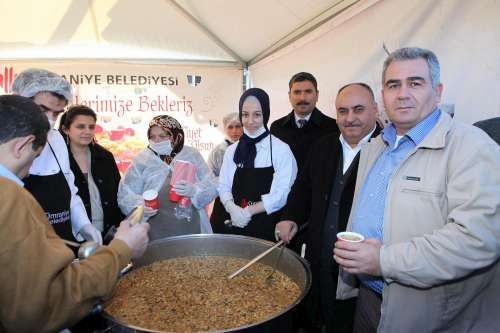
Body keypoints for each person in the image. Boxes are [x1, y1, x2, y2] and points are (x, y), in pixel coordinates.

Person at [334, 47, 500, 332]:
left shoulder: (471, 146)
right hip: (369, 299)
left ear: (437, 91)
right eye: (393, 85)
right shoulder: (376, 148)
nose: (402, 94)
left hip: (431, 315)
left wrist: (383, 260)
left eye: (415, 83)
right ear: (383, 95)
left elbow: (477, 239)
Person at [0, 95, 150, 332]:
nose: (29, 171)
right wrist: (122, 248)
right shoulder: (9, 197)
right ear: (21, 146)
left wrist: (87, 227)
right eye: (34, 157)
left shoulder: (99, 155)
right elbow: (40, 307)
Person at [276, 83, 382, 333]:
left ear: (376, 110)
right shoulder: (323, 145)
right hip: (319, 254)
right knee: (317, 316)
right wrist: (290, 217)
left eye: (358, 110)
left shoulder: (387, 151)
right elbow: (302, 188)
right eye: (342, 111)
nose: (350, 118)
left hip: (360, 270)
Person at [11, 68, 102, 245]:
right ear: (21, 102)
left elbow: (69, 187)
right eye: (42, 109)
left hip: (63, 242)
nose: (50, 120)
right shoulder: (6, 143)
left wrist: (84, 225)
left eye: (57, 113)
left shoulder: (56, 139)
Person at [211, 88, 297, 242]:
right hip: (229, 222)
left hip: (263, 225)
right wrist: (232, 208)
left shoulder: (280, 150)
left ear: (266, 114)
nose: (250, 121)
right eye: (245, 114)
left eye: (257, 114)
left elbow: (282, 193)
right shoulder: (232, 151)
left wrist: (248, 211)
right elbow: (223, 185)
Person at [118, 115, 217, 240]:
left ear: (175, 135)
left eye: (162, 136)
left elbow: (211, 183)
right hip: (155, 226)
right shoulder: (142, 159)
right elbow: (126, 193)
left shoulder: (191, 154)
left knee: (192, 256)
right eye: (152, 137)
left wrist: (195, 190)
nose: (157, 141)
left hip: (190, 224)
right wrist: (140, 206)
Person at [59, 105, 124, 242]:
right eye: (80, 127)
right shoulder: (58, 160)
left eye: (91, 127)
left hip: (108, 233)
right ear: (66, 129)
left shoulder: (105, 157)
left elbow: (119, 194)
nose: (87, 131)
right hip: (73, 236)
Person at [270, 72, 339, 172]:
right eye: (297, 92)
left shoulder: (333, 128)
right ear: (289, 96)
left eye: (308, 91)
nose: (302, 98)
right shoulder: (277, 128)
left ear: (317, 95)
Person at [207, 112, 243, 177]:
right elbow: (209, 178)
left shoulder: (252, 148)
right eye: (230, 127)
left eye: (238, 126)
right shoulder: (217, 152)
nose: (234, 131)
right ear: (225, 129)